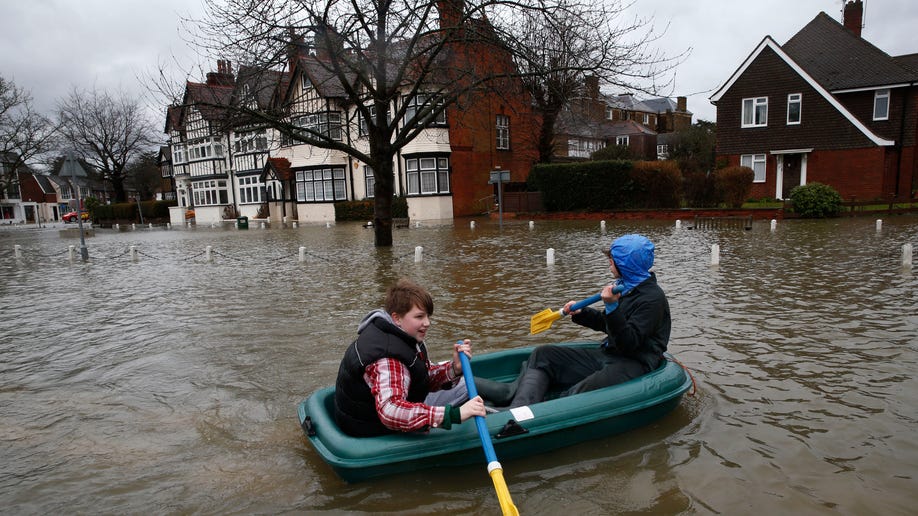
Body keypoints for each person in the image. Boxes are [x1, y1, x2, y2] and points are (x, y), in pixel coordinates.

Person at [508, 234, 671, 408]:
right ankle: (518, 407)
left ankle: (541, 412)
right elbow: (609, 325)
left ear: (626, 264)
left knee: (581, 392)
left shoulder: (652, 300)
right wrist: (582, 313)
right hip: (610, 353)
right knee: (544, 355)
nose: (609, 263)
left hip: (635, 362)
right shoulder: (626, 286)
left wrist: (612, 307)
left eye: (612, 260)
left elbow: (628, 342)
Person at [334, 278, 486, 437]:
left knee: (463, 383)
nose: (427, 323)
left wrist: (454, 369)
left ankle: (498, 399)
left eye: (428, 316)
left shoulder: (402, 335)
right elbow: (391, 411)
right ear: (397, 318)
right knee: (467, 392)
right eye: (419, 317)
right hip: (373, 428)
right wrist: (454, 415)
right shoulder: (387, 358)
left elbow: (422, 377)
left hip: (369, 415)